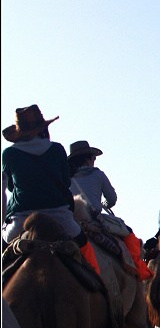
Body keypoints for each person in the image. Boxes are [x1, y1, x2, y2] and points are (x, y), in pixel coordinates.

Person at [1, 105, 101, 275]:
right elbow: (64, 183)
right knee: (86, 250)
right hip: (60, 218)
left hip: (20, 222)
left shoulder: (9, 153)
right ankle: (101, 289)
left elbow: (10, 186)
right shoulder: (56, 149)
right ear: (43, 129)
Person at [67, 140, 152, 281]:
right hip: (93, 219)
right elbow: (112, 198)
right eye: (93, 158)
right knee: (129, 234)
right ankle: (140, 271)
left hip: (71, 220)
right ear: (88, 159)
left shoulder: (67, 178)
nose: (94, 161)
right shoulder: (98, 174)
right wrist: (105, 204)